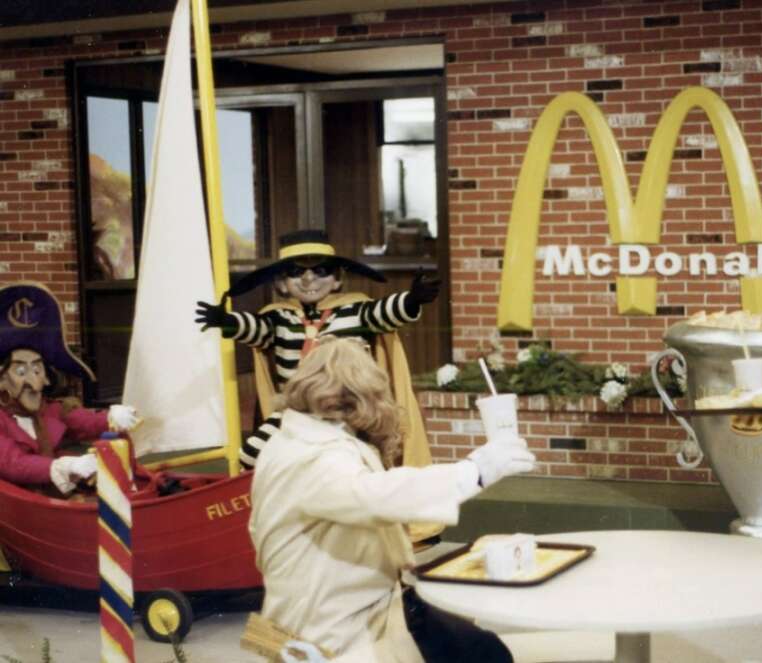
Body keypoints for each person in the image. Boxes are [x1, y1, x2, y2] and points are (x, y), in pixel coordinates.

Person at [248, 336, 534, 662]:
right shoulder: (312, 456)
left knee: (484, 650)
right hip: (324, 633)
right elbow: (373, 495)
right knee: (485, 655)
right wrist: (474, 470)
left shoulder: (291, 439)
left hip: (313, 611)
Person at [194, 229, 441, 470]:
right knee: (251, 457)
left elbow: (385, 312)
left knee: (354, 462)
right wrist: (227, 321)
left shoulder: (355, 310)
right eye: (295, 272)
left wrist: (412, 300)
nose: (308, 279)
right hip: (295, 411)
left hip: (346, 411)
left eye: (320, 270)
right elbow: (256, 329)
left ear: (337, 279)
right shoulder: (278, 317)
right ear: (281, 283)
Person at [0, 282, 140, 495]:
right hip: (20, 499)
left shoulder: (52, 410)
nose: (33, 381)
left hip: (56, 495)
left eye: (37, 369)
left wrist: (111, 417)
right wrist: (62, 466)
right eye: (21, 372)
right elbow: (13, 463)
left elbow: (82, 421)